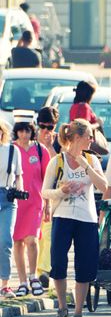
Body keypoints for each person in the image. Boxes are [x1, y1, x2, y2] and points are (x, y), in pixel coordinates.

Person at [41, 119, 107, 317]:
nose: (91, 140)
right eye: (89, 136)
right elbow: (44, 191)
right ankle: (62, 307)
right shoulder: (57, 161)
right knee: (58, 263)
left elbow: (103, 186)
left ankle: (78, 312)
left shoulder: (92, 159)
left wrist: (86, 164)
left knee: (84, 265)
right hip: (63, 216)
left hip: (86, 218)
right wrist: (61, 191)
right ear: (77, 137)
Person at [12, 113, 51, 297]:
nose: (24, 134)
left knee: (32, 240)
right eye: (20, 130)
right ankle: (21, 282)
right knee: (17, 242)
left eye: (27, 130)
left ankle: (33, 276)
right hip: (14, 202)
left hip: (36, 200)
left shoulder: (40, 150)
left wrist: (48, 205)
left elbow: (48, 180)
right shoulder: (10, 150)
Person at [35, 107, 60, 288]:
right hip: (32, 195)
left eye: (49, 127)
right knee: (34, 236)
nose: (45, 131)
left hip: (51, 196)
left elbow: (57, 168)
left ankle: (43, 271)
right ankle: (34, 271)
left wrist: (50, 146)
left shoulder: (58, 142)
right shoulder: (29, 140)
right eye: (42, 126)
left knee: (48, 235)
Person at [0, 120, 24, 299]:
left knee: (5, 240)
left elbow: (19, 175)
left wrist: (20, 191)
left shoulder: (12, 150)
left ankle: (5, 284)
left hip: (8, 197)